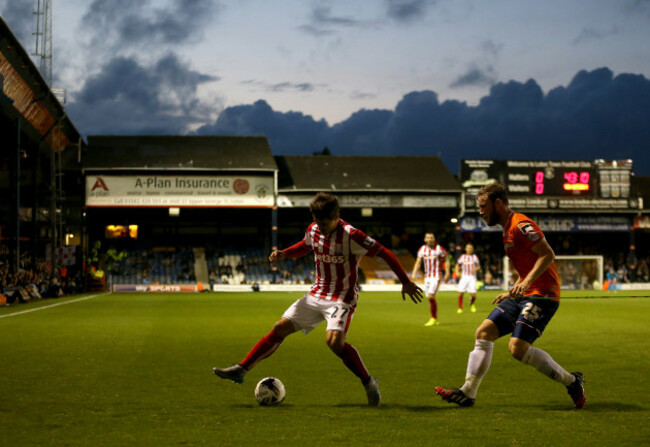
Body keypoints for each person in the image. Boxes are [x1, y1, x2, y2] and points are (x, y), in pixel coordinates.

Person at [213, 192, 423, 407]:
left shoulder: (352, 235)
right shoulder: (313, 229)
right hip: (316, 293)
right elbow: (306, 246)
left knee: (334, 342)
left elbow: (385, 253)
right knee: (279, 328)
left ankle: (369, 383)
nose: (320, 227)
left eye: (324, 223)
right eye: (317, 222)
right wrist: (284, 253)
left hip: (342, 297)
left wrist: (405, 282)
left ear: (336, 216)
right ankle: (242, 369)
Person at [435, 183, 586, 409]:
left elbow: (547, 255)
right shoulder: (506, 230)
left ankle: (572, 382)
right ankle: (468, 392)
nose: (480, 211)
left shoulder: (521, 225)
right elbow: (527, 267)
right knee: (484, 332)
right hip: (525, 292)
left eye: (483, 206)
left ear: (498, 203)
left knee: (517, 349)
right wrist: (515, 287)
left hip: (543, 295)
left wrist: (525, 284)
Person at [411, 233, 450, 326]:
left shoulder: (439, 249)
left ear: (434, 239)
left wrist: (447, 272)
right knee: (430, 299)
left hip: (436, 276)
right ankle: (434, 318)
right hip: (427, 277)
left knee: (430, 296)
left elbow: (446, 260)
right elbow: (418, 262)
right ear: (425, 239)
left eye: (432, 237)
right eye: (428, 238)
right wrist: (414, 274)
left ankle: (433, 318)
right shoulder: (422, 249)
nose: (430, 239)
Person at [455, 243, 481, 313]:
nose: (469, 249)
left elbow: (479, 266)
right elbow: (457, 265)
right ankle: (460, 308)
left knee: (473, 295)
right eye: (468, 248)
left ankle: (472, 304)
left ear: (472, 249)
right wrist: (457, 272)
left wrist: (475, 269)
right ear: (465, 249)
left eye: (470, 248)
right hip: (464, 277)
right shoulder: (462, 257)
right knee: (461, 293)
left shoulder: (475, 257)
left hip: (472, 277)